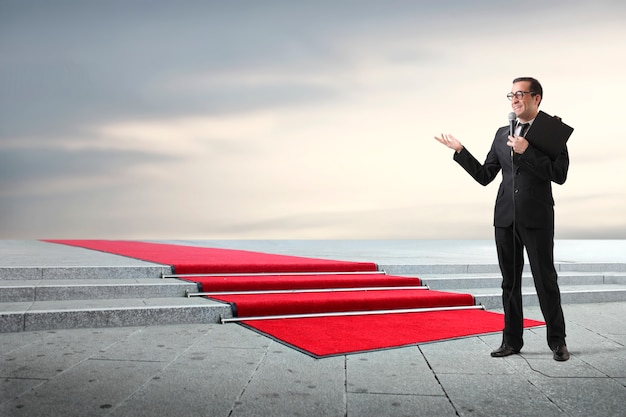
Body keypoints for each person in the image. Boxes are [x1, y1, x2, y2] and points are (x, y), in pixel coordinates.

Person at [434, 77, 570, 361]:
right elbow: (486, 176)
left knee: (545, 280)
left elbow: (559, 175)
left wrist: (528, 151)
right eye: (511, 95)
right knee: (509, 282)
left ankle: (557, 341)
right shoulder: (500, 133)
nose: (515, 99)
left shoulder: (551, 132)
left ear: (537, 98)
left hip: (537, 217)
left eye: (521, 94)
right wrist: (461, 151)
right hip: (505, 218)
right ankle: (512, 340)